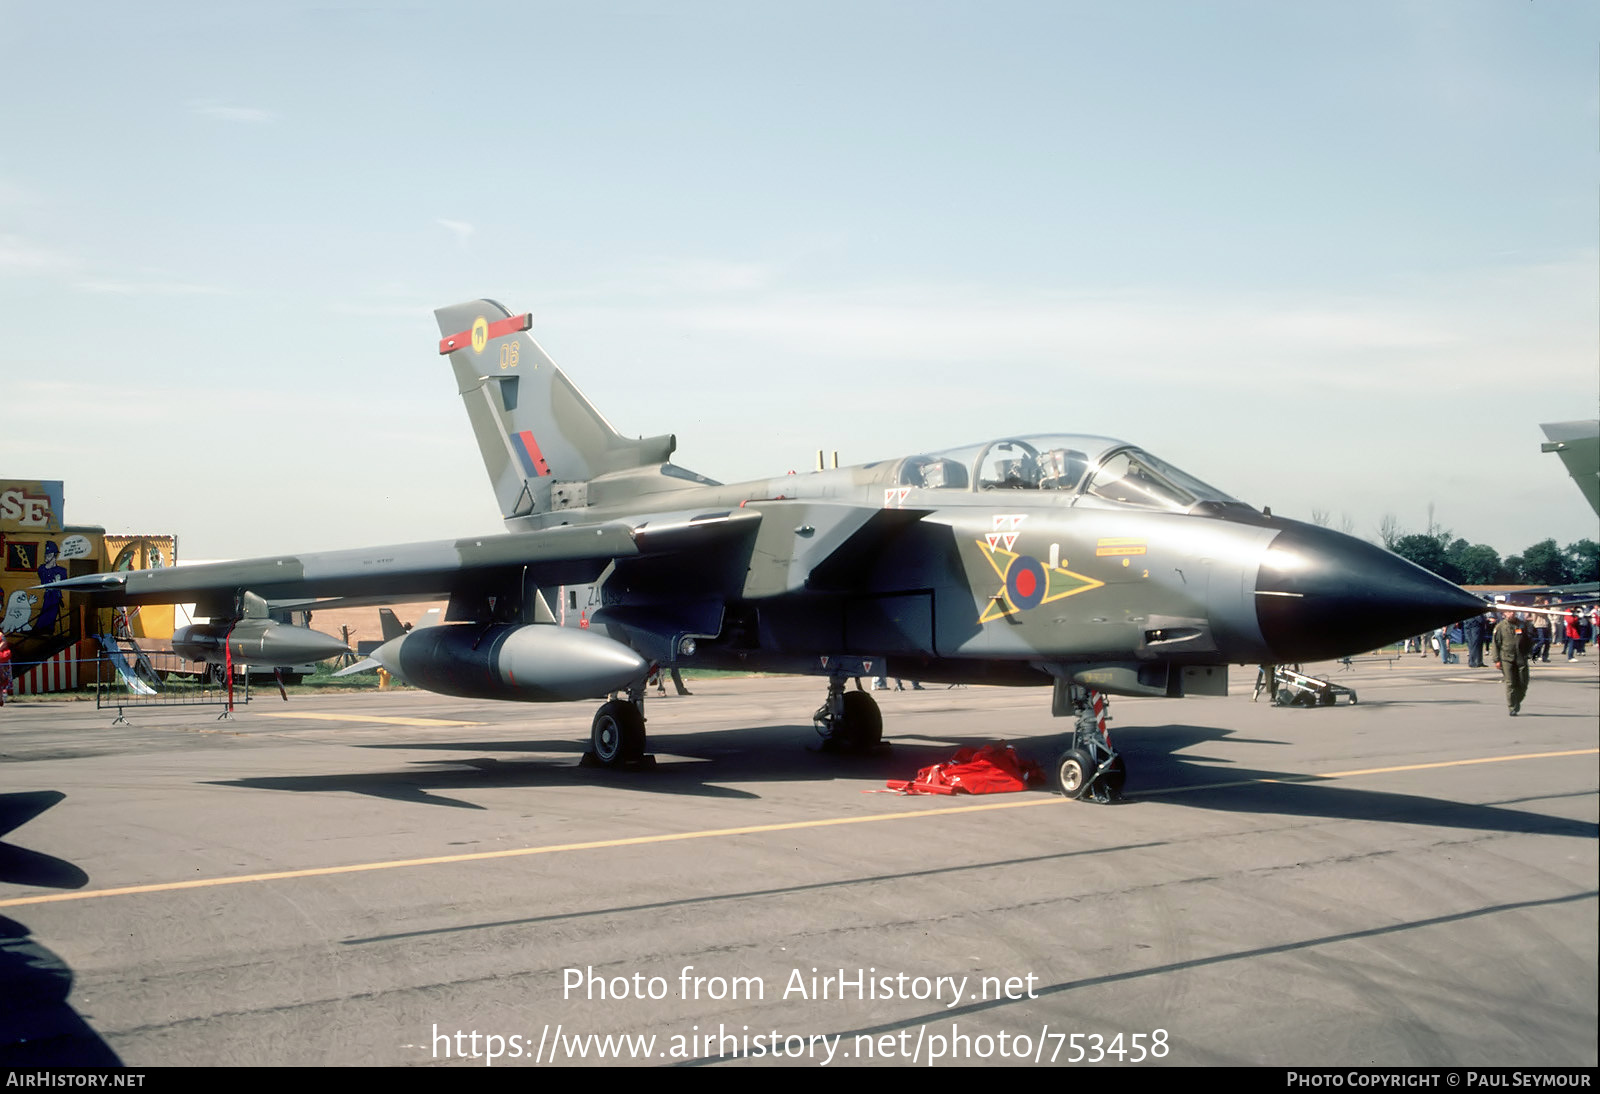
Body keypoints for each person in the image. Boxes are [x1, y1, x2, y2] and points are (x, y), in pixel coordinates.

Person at [1491, 609, 1534, 716]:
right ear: (1504, 613)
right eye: (1509, 612)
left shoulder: (1522, 625)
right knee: (1511, 683)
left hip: (1521, 658)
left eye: (1513, 612)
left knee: (1523, 683)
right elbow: (1495, 644)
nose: (1511, 614)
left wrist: (1529, 653)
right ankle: (1512, 707)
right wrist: (1496, 660)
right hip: (1507, 658)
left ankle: (1517, 701)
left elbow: (1529, 640)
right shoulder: (1500, 627)